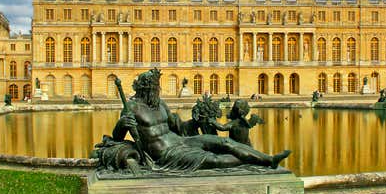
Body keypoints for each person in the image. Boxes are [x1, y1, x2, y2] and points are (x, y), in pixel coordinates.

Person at [112, 69, 290, 171]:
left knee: (225, 142)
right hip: (166, 153)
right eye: (154, 88)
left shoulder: (161, 104)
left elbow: (180, 126)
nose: (157, 91)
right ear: (146, 89)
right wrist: (122, 124)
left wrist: (197, 121)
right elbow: (117, 137)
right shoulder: (132, 108)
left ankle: (269, 159)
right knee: (214, 160)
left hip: (182, 141)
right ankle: (253, 161)